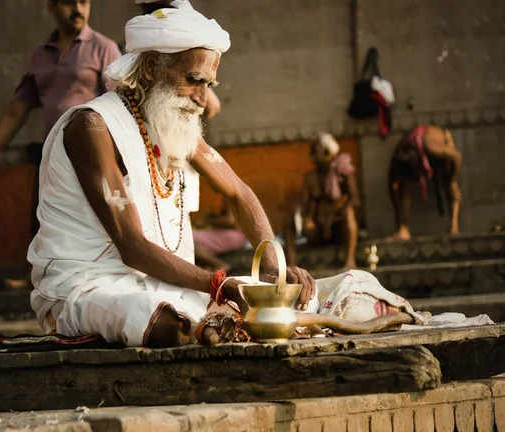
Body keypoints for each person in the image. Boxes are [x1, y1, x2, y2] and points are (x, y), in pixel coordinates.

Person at [27, 1, 316, 348]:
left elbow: (238, 193)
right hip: (86, 289)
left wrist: (274, 268)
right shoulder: (93, 127)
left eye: (209, 84)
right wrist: (219, 285)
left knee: (300, 297)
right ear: (150, 67)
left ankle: (214, 322)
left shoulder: (171, 126)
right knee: (165, 322)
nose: (203, 99)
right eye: (194, 80)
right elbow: (132, 247)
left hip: (161, 285)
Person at [0, 0, 121, 237]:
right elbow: (16, 111)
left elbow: (121, 107)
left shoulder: (103, 48)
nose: (78, 10)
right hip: (51, 158)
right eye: (70, 3)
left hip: (90, 158)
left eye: (84, 2)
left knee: (92, 233)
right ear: (52, 6)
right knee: (45, 231)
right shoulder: (41, 54)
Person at [284, 133, 359, 269]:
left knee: (349, 213)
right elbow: (305, 205)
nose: (312, 157)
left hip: (337, 228)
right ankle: (291, 265)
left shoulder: (343, 170)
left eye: (314, 152)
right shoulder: (310, 178)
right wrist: (305, 217)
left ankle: (350, 260)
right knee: (290, 218)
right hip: (317, 229)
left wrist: (334, 213)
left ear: (326, 153)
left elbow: (354, 199)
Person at [388, 124, 462, 241]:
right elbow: (393, 187)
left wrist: (453, 179)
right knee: (404, 189)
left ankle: (454, 226)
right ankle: (403, 229)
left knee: (450, 184)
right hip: (415, 154)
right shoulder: (399, 154)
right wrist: (399, 220)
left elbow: (457, 156)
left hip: (441, 142)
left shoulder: (433, 147)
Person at [193, 202, 247, 272]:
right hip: (237, 236)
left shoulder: (230, 196)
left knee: (190, 237)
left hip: (234, 235)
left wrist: (205, 221)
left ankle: (219, 264)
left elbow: (230, 221)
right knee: (196, 244)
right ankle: (208, 266)